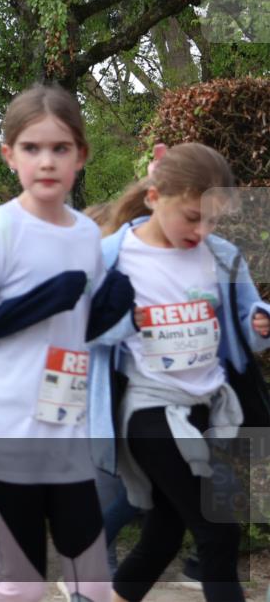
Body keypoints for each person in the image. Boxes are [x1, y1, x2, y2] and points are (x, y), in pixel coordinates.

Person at [0, 83, 134, 602]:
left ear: (80, 156)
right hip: (3, 429)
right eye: (32, 148)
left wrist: (115, 298)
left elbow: (80, 326)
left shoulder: (84, 234)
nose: (46, 161)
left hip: (62, 424)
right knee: (23, 586)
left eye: (59, 148)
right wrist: (48, 298)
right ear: (10, 156)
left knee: (93, 583)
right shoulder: (1, 228)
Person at [87, 143, 270, 602]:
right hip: (149, 410)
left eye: (213, 221)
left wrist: (259, 322)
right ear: (154, 197)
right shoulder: (108, 257)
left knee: (164, 534)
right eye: (193, 218)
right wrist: (124, 321)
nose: (202, 231)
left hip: (210, 409)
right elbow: (78, 331)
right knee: (219, 533)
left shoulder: (222, 255)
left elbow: (247, 322)